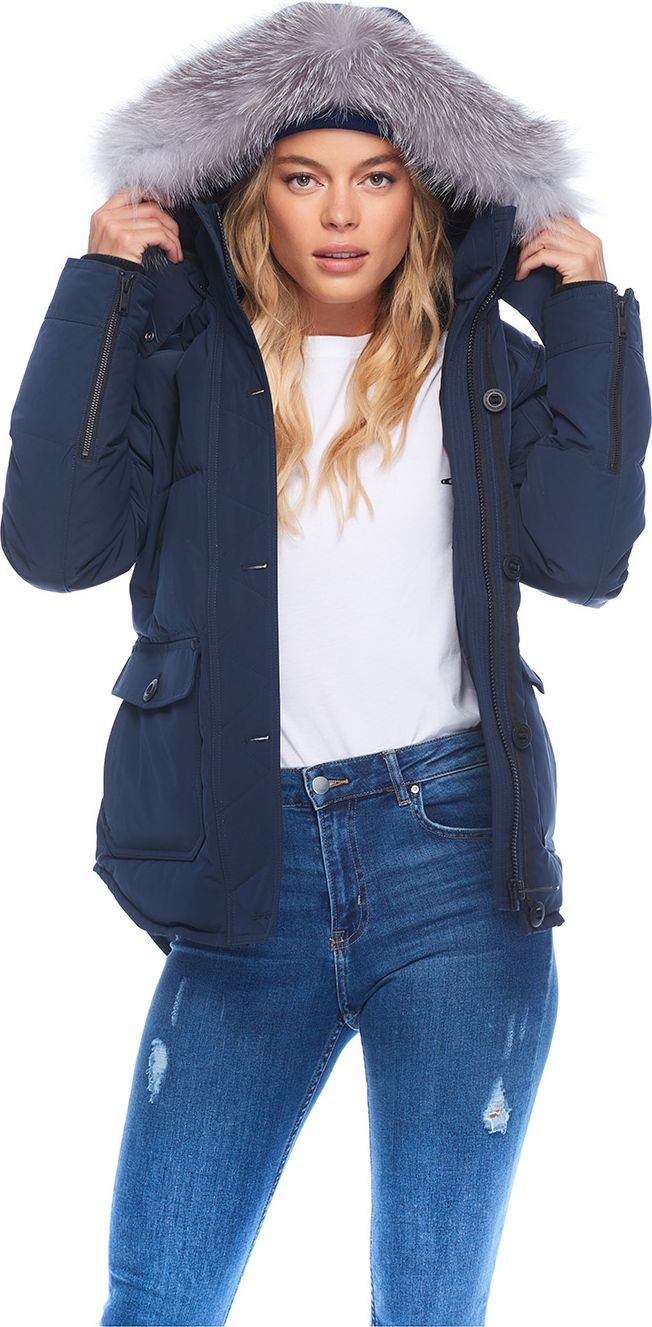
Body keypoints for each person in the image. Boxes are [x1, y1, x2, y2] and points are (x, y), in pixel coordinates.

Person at [2, 4, 649, 1325]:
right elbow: (54, 548)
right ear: (254, 195)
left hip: (456, 863)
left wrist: (589, 323)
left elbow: (586, 560)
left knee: (431, 1306)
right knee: (159, 1297)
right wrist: (102, 293)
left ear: (427, 197)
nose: (341, 214)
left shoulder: (483, 365)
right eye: (303, 177)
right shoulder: (185, 361)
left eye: (378, 177)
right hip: (250, 871)